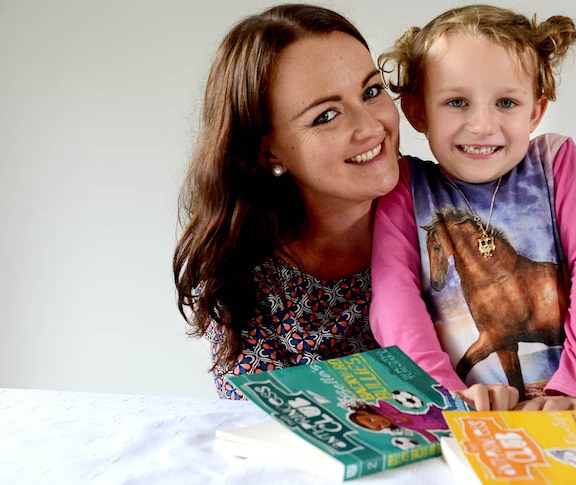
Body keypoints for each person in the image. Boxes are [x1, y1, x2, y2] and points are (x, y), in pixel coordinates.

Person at [172, 4, 517, 411]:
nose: (372, 127)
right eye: (327, 115)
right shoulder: (236, 272)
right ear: (267, 152)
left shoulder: (480, 213)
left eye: (371, 92)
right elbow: (257, 424)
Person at [371, 5, 576, 411]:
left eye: (506, 103)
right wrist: (445, 394)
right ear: (417, 111)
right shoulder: (404, 187)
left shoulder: (554, 163)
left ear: (535, 111)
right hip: (474, 411)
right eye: (456, 102)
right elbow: (394, 298)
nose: (482, 124)